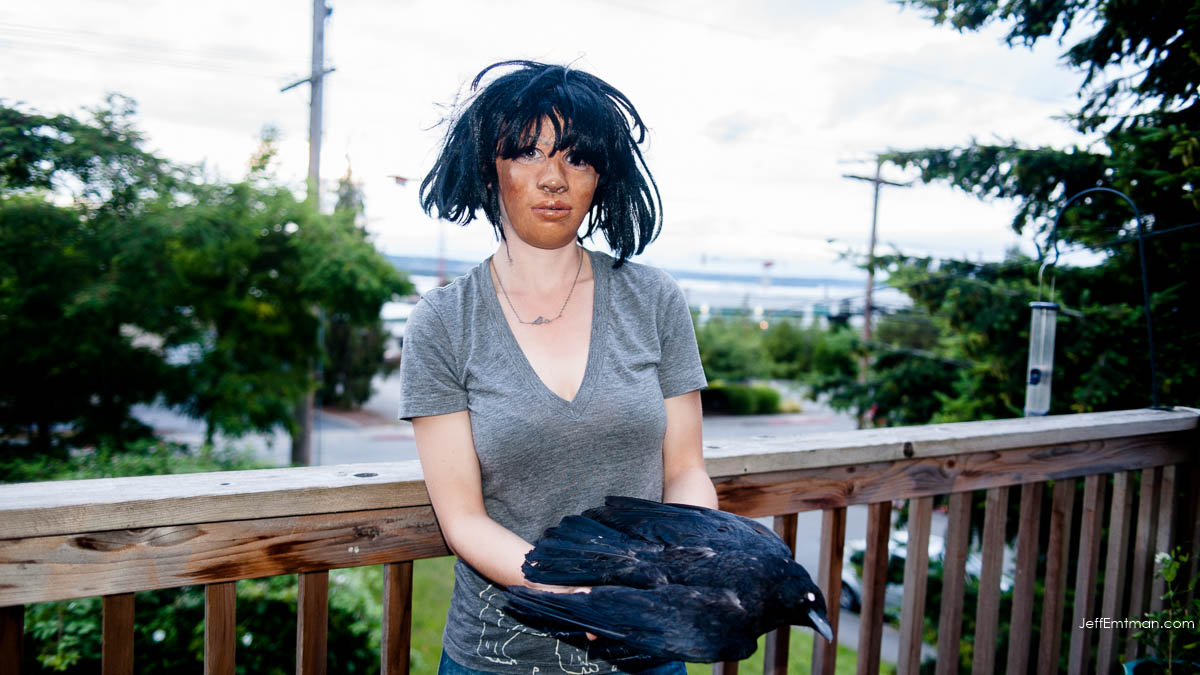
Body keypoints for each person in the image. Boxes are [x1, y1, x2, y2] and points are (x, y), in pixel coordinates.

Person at [399, 60, 716, 675]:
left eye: (576, 158)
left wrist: (679, 562)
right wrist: (578, 599)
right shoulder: (441, 321)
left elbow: (686, 471)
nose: (553, 179)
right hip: (498, 655)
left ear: (601, 178)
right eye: (528, 154)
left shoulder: (654, 301)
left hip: (644, 647)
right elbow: (461, 516)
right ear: (489, 171)